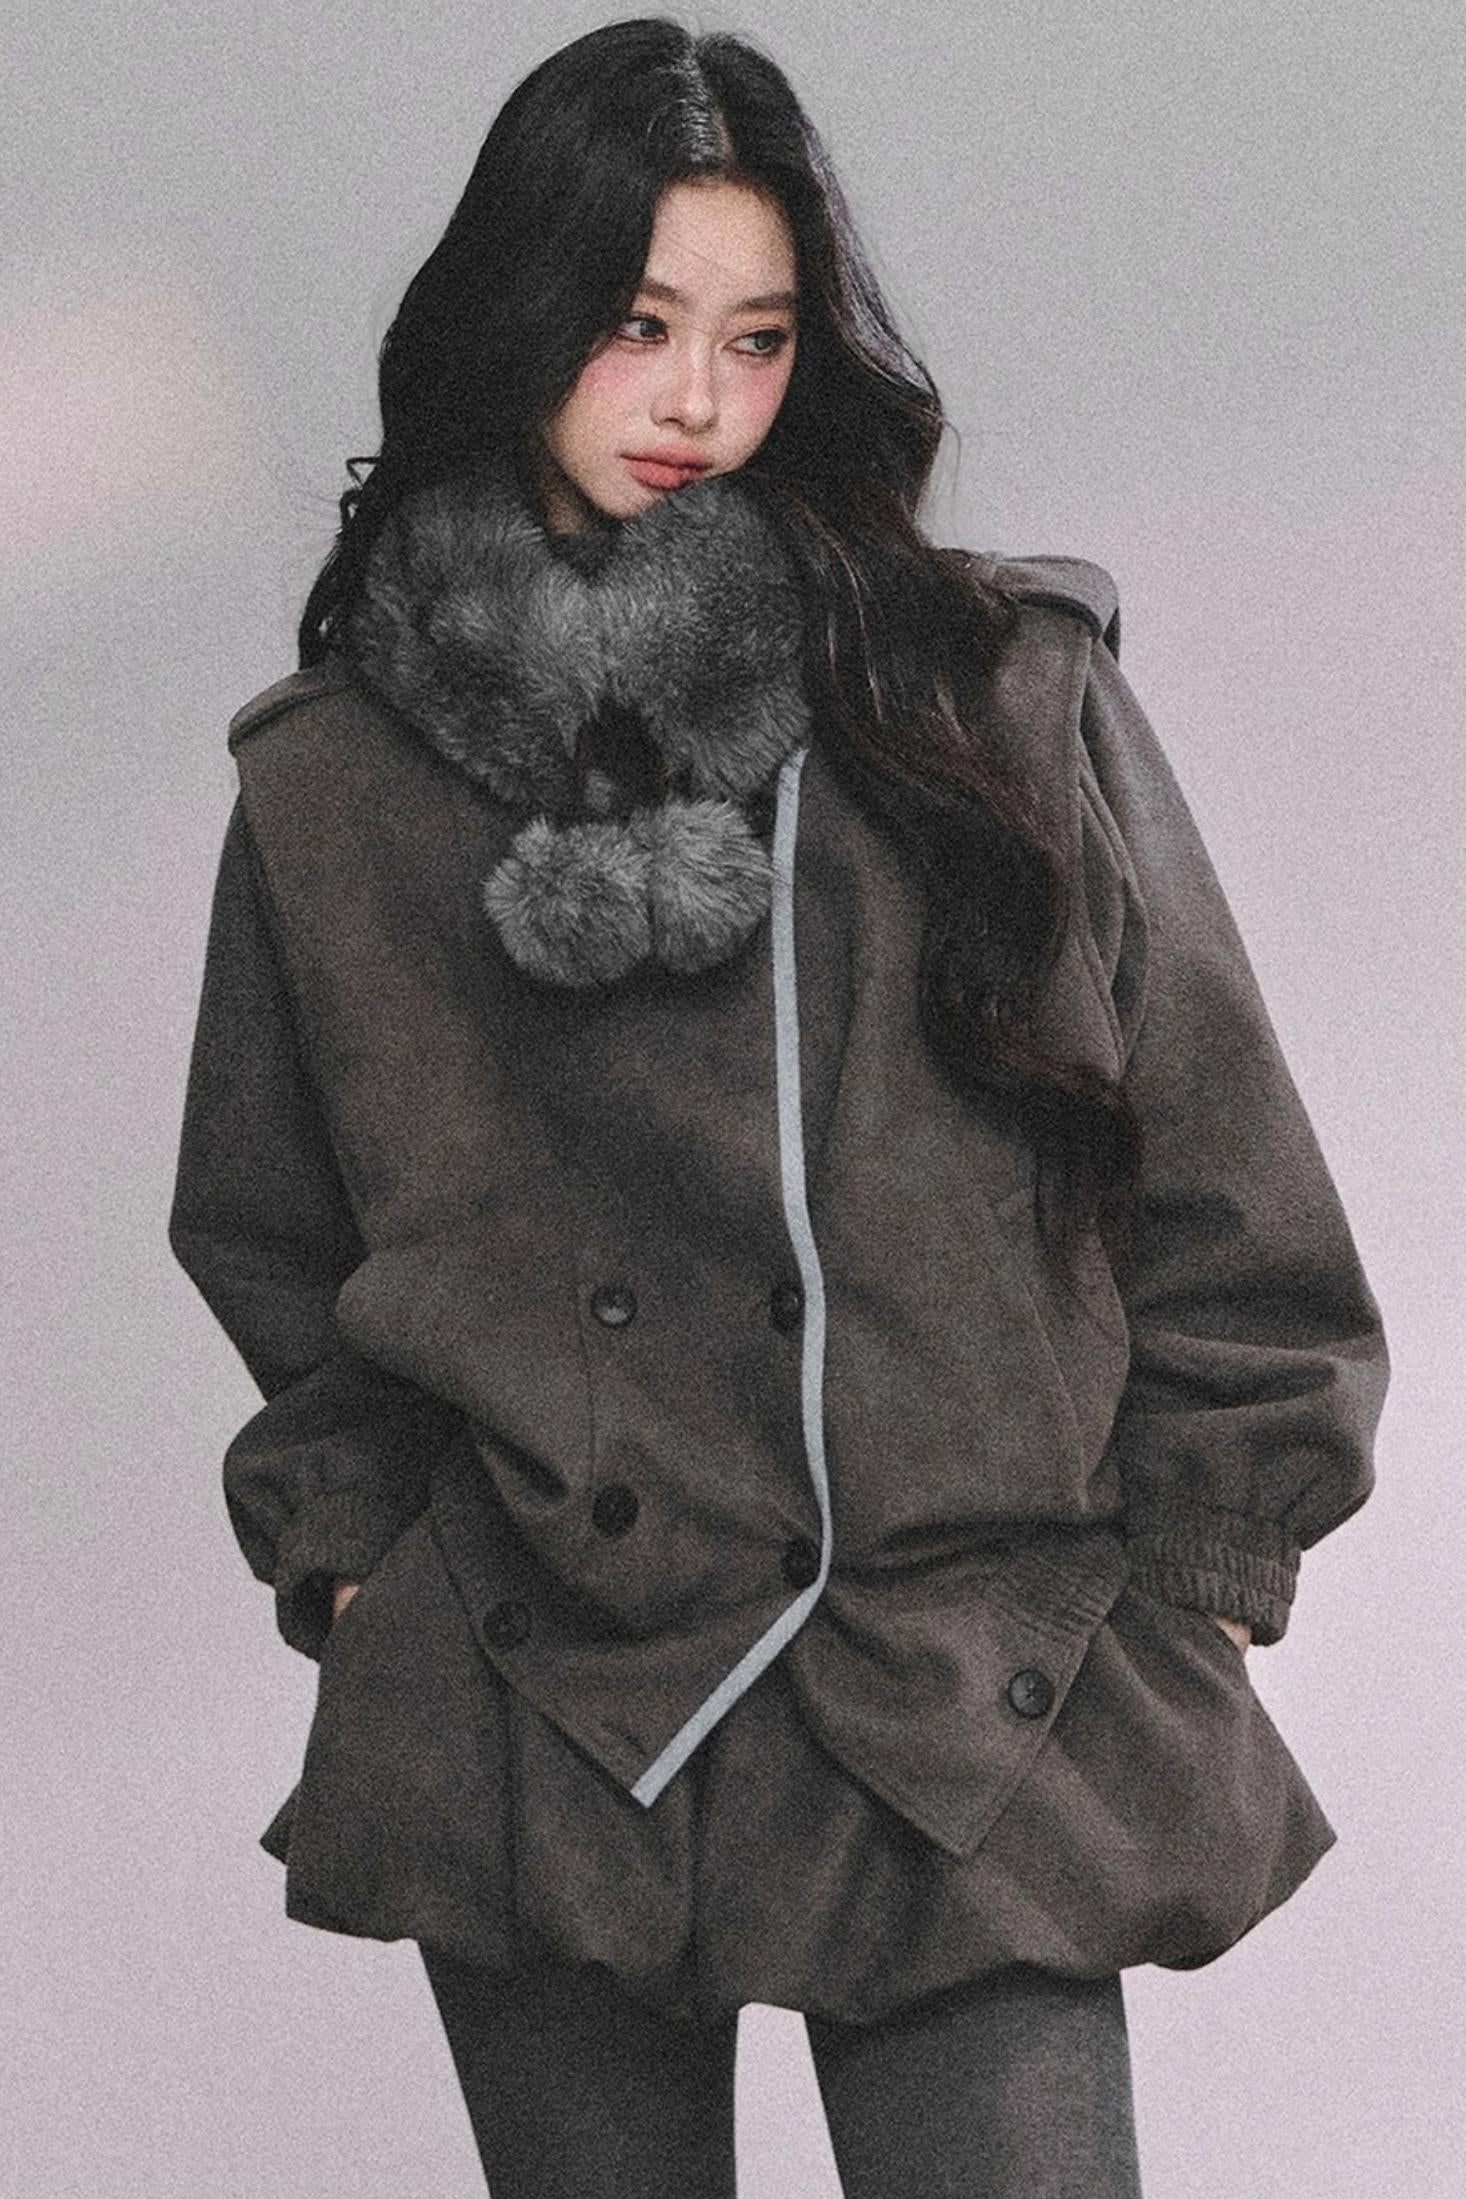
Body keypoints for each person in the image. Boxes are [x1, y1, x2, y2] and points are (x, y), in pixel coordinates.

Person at [167, 18, 1389, 2197]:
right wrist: (362, 1559)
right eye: (638, 326)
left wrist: (1206, 1557)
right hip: (552, 1682)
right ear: (516, 315)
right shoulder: (337, 781)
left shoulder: (988, 696)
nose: (698, 401)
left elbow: (1221, 1169)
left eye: (755, 337)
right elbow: (270, 1219)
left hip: (962, 1672)